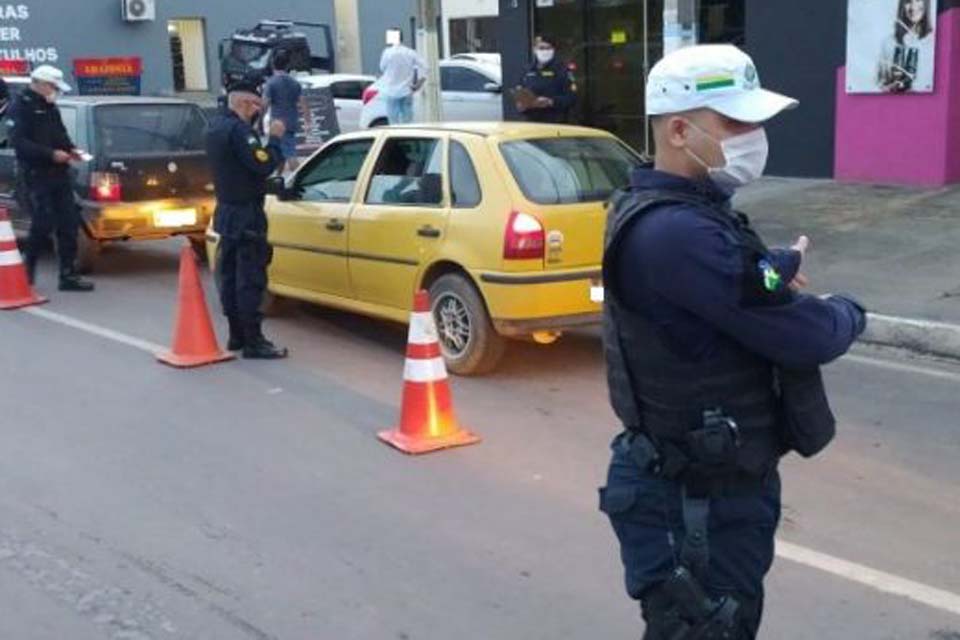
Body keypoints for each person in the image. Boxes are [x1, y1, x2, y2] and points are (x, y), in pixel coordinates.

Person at [598, 44, 867, 639]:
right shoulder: (677, 231)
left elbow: (743, 278)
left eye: (756, 122)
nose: (755, 135)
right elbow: (803, 336)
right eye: (736, 123)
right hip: (691, 505)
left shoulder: (687, 212)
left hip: (711, 491)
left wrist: (780, 260)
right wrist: (849, 312)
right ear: (678, 129)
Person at [206, 79, 289, 360]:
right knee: (250, 278)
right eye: (256, 104)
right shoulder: (240, 132)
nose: (259, 110)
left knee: (229, 276)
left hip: (227, 211)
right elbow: (263, 164)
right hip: (246, 215)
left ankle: (236, 334)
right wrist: (275, 138)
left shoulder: (215, 127)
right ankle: (254, 340)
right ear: (245, 103)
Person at [7, 65, 93, 291]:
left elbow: (60, 133)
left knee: (69, 224)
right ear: (41, 84)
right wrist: (50, 154)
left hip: (59, 174)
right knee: (42, 224)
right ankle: (27, 271)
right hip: (35, 174)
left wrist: (72, 150)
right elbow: (19, 143)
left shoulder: (49, 106)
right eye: (53, 86)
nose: (55, 91)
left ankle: (68, 276)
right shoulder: (20, 106)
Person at [263, 50, 310, 173]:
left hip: (278, 123)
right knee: (280, 151)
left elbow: (265, 103)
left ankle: (298, 175)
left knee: (290, 153)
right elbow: (303, 103)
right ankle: (278, 177)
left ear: (273, 64)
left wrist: (259, 120)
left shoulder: (271, 83)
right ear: (287, 65)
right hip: (292, 121)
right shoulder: (294, 83)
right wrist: (307, 121)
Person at [515, 35, 577, 123]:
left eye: (548, 48)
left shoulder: (562, 70)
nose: (544, 51)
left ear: (553, 50)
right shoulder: (527, 70)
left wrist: (550, 102)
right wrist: (522, 104)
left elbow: (571, 98)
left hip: (555, 121)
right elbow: (520, 92)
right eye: (541, 48)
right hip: (531, 121)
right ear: (534, 50)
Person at [877, 0, 934, 93]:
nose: (913, 7)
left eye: (918, 0)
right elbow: (880, 82)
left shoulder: (935, 42)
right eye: (908, 1)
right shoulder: (889, 43)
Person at [379, 28, 427, 125]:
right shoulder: (410, 52)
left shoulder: (387, 53)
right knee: (408, 123)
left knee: (393, 123)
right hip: (407, 91)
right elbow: (426, 67)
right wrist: (419, 83)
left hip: (391, 92)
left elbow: (382, 68)